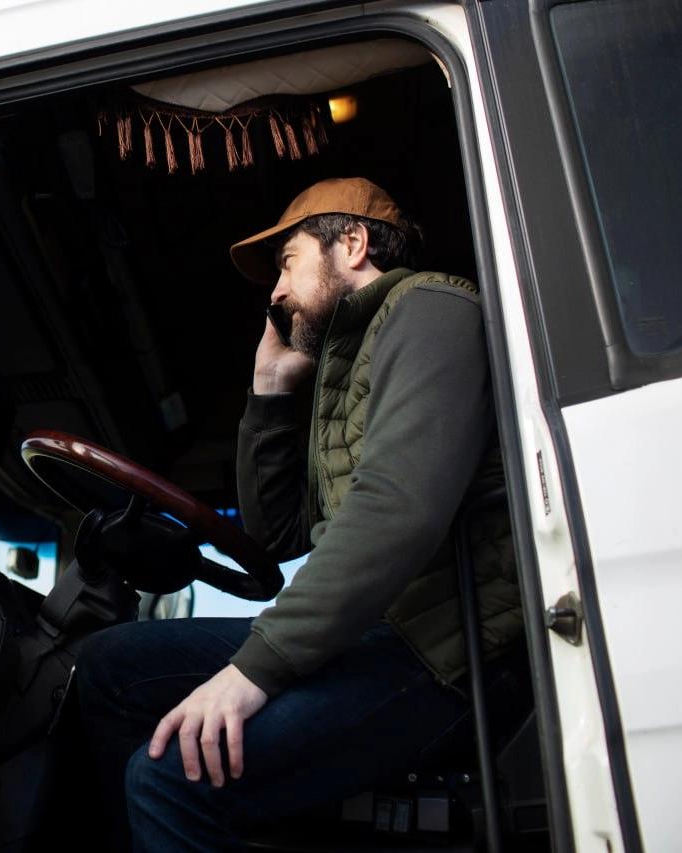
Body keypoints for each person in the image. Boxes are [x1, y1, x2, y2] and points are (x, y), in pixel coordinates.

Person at [74, 177, 527, 851]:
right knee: (109, 667)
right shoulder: (340, 370)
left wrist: (253, 671)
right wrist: (269, 388)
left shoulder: (430, 307)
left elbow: (396, 510)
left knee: (168, 781)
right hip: (377, 633)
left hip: (447, 653)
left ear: (353, 243)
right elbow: (277, 535)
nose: (276, 292)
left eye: (288, 264)